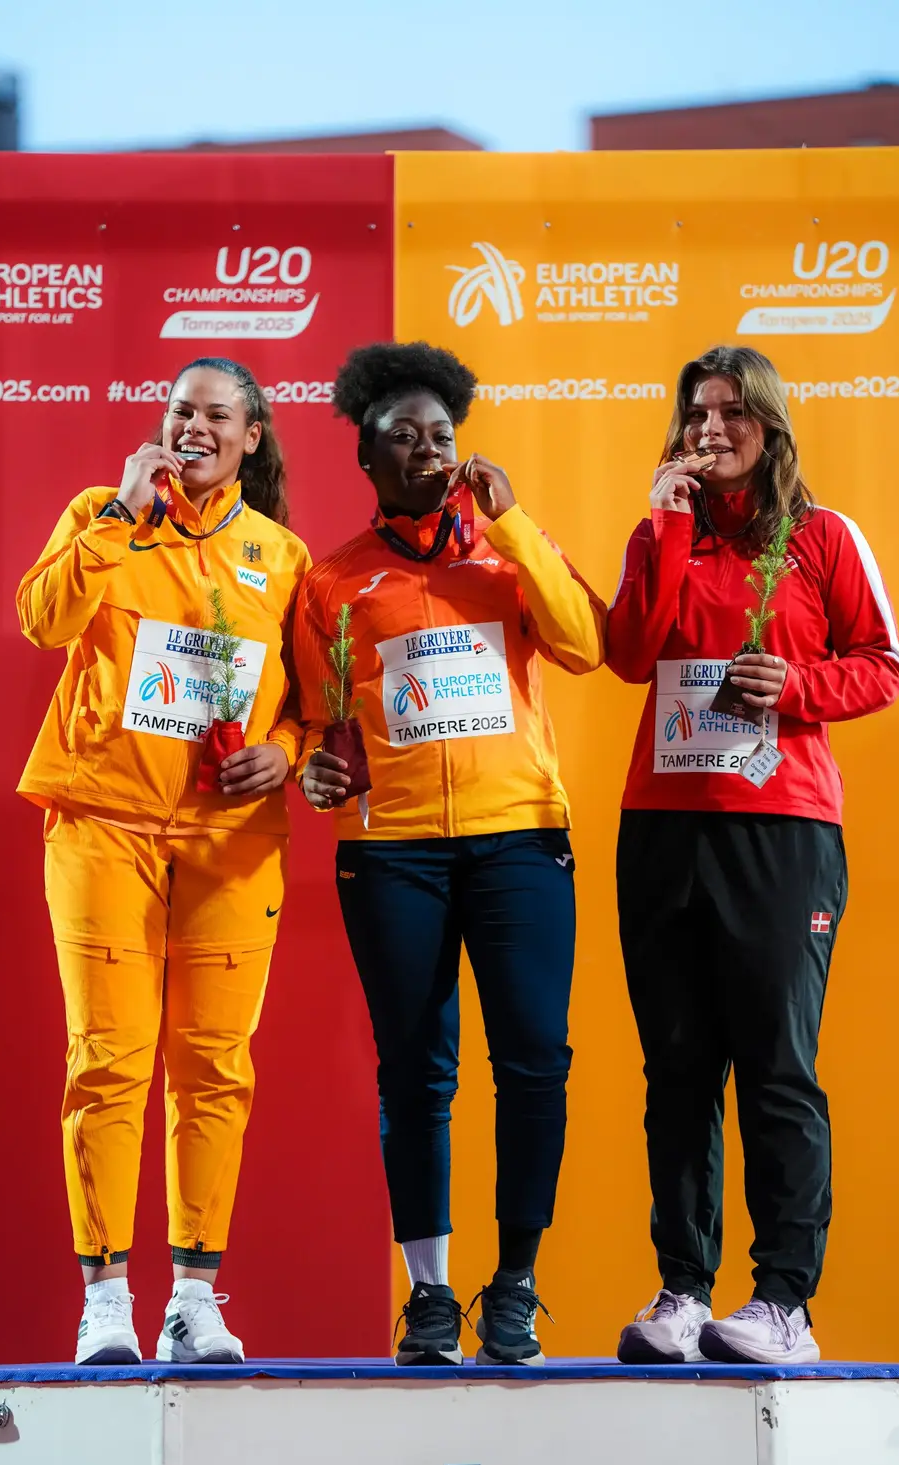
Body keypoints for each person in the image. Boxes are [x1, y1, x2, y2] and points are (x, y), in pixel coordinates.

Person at [289, 341, 604, 1367]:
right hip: (393, 858)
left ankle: (513, 1283)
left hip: (518, 841)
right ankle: (429, 1294)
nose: (428, 450)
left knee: (532, 1063)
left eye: (442, 435)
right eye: (404, 437)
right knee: (417, 1073)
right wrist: (312, 769)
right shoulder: (333, 580)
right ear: (366, 462)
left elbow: (582, 643)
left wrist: (511, 523)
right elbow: (315, 721)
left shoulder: (509, 551)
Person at [609, 345, 899, 1366]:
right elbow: (628, 653)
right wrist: (664, 524)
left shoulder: (823, 537)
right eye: (696, 411)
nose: (710, 428)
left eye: (732, 412)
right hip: (661, 822)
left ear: (770, 426)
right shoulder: (662, 531)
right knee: (677, 1069)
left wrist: (795, 688)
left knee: (777, 1065)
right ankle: (682, 1289)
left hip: (782, 828)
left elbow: (884, 664)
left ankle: (783, 1299)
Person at [17, 356, 309, 1365]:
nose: (194, 426)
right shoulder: (103, 511)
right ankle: (105, 1299)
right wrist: (118, 518)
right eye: (181, 409)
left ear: (250, 435)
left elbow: (317, 703)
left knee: (214, 1067)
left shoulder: (283, 554)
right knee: (107, 1059)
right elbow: (42, 619)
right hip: (104, 818)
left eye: (215, 414)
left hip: (229, 836)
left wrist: (293, 753)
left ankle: (193, 1296)